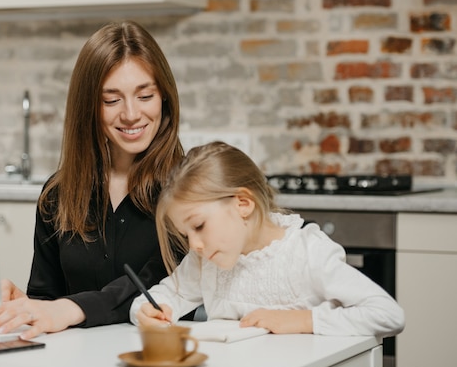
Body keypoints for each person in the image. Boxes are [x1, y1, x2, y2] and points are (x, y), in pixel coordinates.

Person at [0, 20, 185, 340]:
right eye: (111, 100)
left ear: (165, 98)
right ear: (88, 107)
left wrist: (69, 309)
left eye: (145, 95)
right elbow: (49, 301)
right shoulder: (57, 195)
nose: (131, 114)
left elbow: (158, 285)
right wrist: (25, 305)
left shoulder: (189, 190)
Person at [131, 141, 405, 339]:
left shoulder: (306, 254)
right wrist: (147, 310)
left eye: (199, 226)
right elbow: (166, 295)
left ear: (242, 203)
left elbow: (388, 314)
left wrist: (303, 320)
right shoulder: (206, 261)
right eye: (186, 234)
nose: (194, 244)